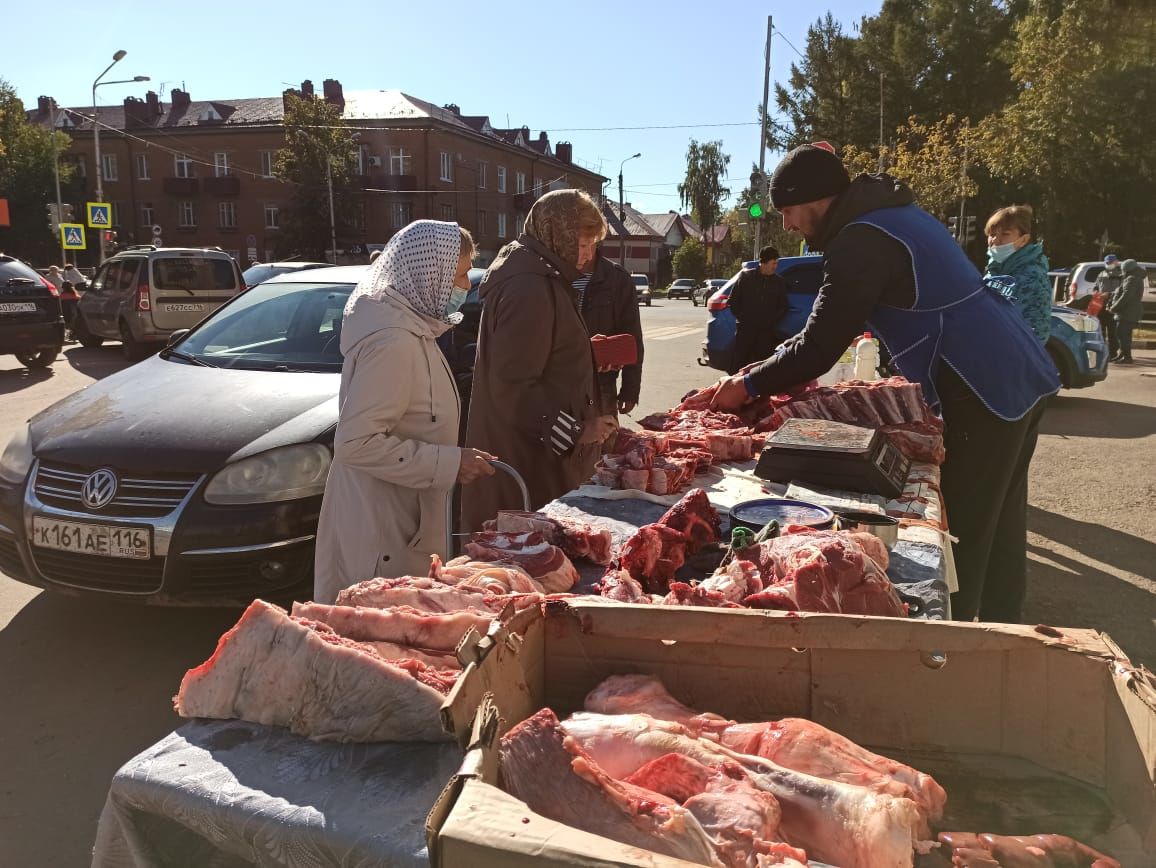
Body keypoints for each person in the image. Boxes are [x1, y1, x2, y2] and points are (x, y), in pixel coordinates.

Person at [709, 145, 1060, 623]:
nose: (787, 225)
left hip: (980, 383)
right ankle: (1008, 630)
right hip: (1015, 367)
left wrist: (747, 384)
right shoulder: (891, 213)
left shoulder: (862, 239)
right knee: (1001, 523)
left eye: (788, 211)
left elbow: (819, 343)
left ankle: (952, 653)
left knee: (969, 531)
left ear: (815, 199)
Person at [312, 220, 495, 604]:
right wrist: (449, 462)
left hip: (401, 516)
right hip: (383, 527)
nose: (465, 286)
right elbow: (356, 444)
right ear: (430, 274)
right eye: (459, 274)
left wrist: (451, 460)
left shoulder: (412, 328)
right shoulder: (392, 340)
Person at [462, 189, 617, 532]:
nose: (588, 255)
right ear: (557, 234)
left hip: (538, 461)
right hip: (528, 469)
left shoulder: (542, 277)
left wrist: (582, 355)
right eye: (583, 242)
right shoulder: (529, 287)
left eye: (592, 244)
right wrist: (578, 430)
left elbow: (539, 356)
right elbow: (513, 387)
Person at [577, 246, 644, 418]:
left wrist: (630, 390)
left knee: (604, 442)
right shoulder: (554, 275)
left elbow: (632, 337)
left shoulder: (617, 278)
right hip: (562, 386)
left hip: (602, 387)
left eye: (586, 242)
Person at [982, 205, 1051, 343]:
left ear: (1024, 240)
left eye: (1005, 234)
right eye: (992, 234)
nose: (995, 240)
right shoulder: (996, 268)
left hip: (1017, 353)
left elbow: (992, 315)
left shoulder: (1031, 274)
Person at [727, 245, 790, 372]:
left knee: (763, 367)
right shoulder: (746, 278)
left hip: (765, 333)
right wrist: (743, 319)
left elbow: (783, 306)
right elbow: (732, 301)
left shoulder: (779, 282)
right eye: (773, 263)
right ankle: (733, 389)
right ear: (764, 263)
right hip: (745, 331)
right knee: (738, 365)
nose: (775, 266)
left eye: (776, 263)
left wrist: (771, 321)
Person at [1108, 259, 1144, 364]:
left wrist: (1114, 307)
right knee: (1124, 335)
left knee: (1121, 334)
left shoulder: (1132, 279)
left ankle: (1127, 357)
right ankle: (1123, 355)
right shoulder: (1134, 278)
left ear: (1127, 269)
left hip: (1127, 312)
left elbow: (1126, 296)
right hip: (1129, 311)